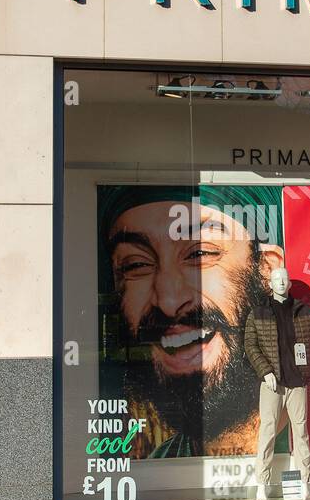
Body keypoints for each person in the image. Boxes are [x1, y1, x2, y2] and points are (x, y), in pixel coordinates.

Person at [98, 185, 284, 457]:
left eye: (200, 254)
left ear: (267, 270)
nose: (169, 301)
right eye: (136, 265)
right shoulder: (163, 468)